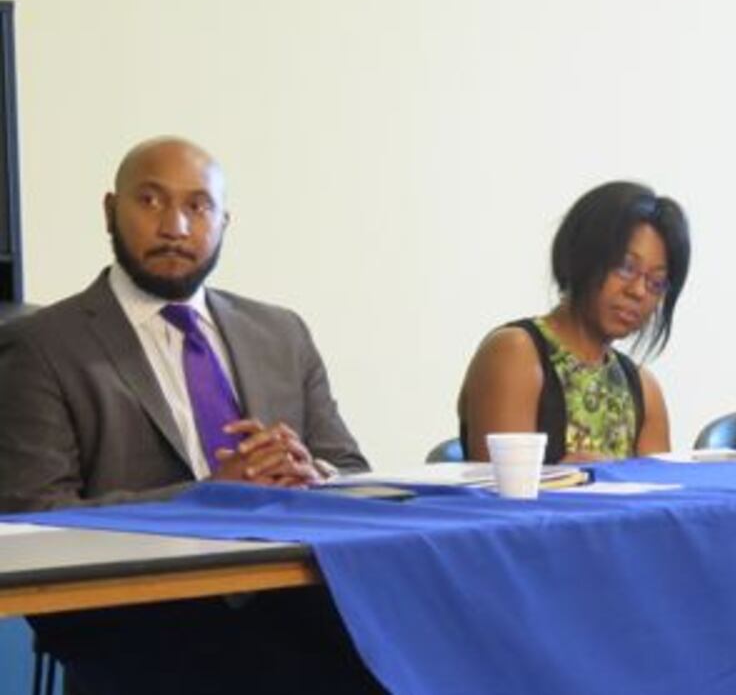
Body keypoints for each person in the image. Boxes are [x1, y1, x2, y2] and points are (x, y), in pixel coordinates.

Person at [0, 136, 378, 694]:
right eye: (150, 201)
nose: (175, 226)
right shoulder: (41, 346)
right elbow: (33, 518)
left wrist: (312, 473)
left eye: (198, 207)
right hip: (144, 620)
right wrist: (207, 496)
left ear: (225, 222)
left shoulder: (280, 333)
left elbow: (353, 471)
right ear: (110, 211)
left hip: (299, 606)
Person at [458, 181, 688, 463]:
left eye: (656, 283)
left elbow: (659, 501)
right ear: (582, 255)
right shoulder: (516, 352)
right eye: (626, 267)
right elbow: (502, 492)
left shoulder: (643, 387)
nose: (638, 291)